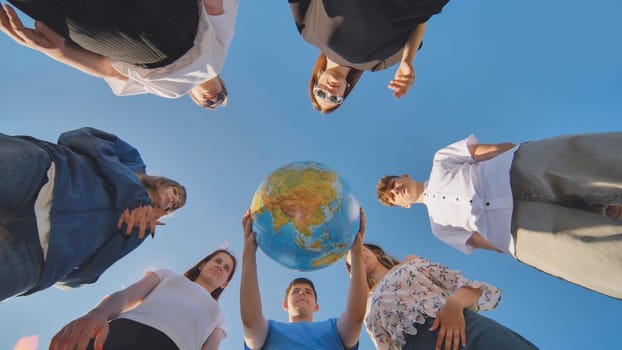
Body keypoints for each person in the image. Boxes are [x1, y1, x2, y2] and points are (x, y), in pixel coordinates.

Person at [376, 132, 622, 299]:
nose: (396, 190)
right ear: (403, 206)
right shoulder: (438, 227)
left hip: (519, 171)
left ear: (405, 177)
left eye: (394, 184)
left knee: (596, 162)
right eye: (393, 196)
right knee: (597, 256)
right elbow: (481, 241)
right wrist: (513, 244)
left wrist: (521, 156)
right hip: (520, 229)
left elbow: (491, 151)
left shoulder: (441, 159)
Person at [0, 127, 186, 302]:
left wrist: (54, 269)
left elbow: (88, 274)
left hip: (38, 255)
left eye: (175, 206)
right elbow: (77, 137)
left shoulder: (141, 228)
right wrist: (133, 194)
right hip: (43, 174)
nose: (173, 200)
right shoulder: (133, 161)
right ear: (165, 182)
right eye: (176, 192)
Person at [0, 0, 238, 109]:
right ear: (221, 80)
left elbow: (108, 69)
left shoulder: (167, 90)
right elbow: (214, 6)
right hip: (172, 17)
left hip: (109, 38)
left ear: (194, 98)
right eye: (221, 95)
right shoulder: (218, 53)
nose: (213, 98)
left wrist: (59, 52)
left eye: (209, 104)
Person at [345, 243, 539, 350]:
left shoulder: (409, 262)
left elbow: (460, 283)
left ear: (376, 251)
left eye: (362, 249)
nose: (360, 255)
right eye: (353, 259)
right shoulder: (365, 309)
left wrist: (455, 303)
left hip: (462, 326)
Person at [49, 249, 236, 350]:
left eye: (227, 268)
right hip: (124, 332)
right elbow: (127, 296)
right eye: (217, 261)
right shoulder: (167, 275)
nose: (220, 266)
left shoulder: (219, 315)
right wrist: (98, 313)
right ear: (203, 264)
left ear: (225, 284)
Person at [288, 0, 450, 113]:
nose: (330, 93)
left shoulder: (308, 31)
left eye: (321, 94)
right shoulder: (377, 65)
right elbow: (419, 22)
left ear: (317, 78)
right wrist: (407, 60)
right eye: (335, 99)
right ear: (345, 91)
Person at [240, 209, 367, 349]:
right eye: (296, 291)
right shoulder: (268, 330)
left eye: (308, 291)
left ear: (316, 306)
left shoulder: (334, 329)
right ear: (285, 305)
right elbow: (250, 323)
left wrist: (356, 254)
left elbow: (356, 318)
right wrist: (249, 253)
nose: (302, 293)